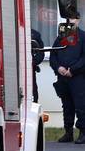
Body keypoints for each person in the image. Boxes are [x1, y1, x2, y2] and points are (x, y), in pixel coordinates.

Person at [50, 14, 85, 143]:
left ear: (79, 20)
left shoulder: (83, 36)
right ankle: (68, 132)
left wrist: (73, 70)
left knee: (80, 105)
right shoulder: (62, 36)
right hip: (63, 77)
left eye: (74, 18)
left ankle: (83, 132)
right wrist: (58, 68)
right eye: (69, 18)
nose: (71, 20)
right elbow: (54, 54)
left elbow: (84, 58)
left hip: (78, 78)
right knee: (67, 105)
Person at [32, 28, 45, 103]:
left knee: (33, 92)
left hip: (30, 70)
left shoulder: (35, 34)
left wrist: (33, 62)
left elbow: (40, 52)